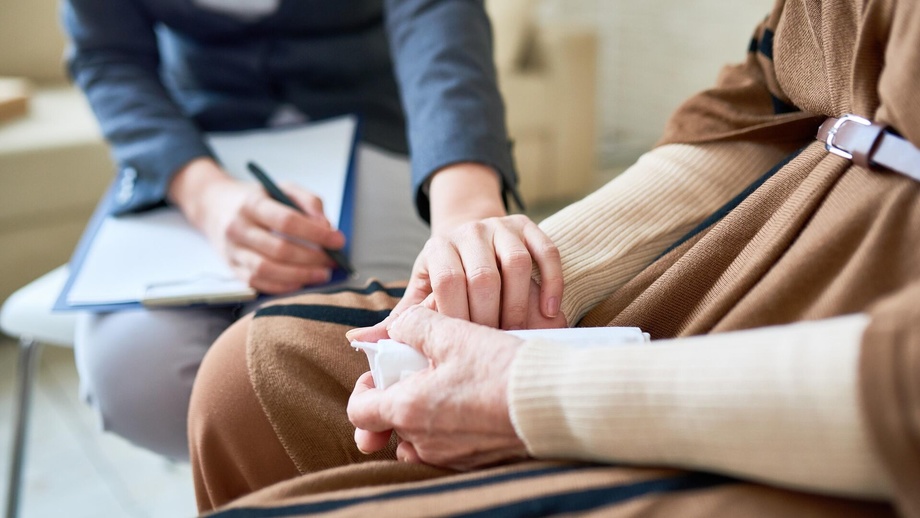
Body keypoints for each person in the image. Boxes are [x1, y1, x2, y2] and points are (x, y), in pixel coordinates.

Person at [188, 0, 920, 516]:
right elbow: (767, 97)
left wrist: (536, 392)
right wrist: (529, 272)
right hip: (753, 243)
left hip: (875, 392)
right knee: (249, 375)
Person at [62, 0, 563, 461]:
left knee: (352, 366)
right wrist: (206, 197)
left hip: (377, 126)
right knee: (133, 380)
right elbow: (107, 57)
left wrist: (465, 203)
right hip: (195, 149)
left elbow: (436, 17)